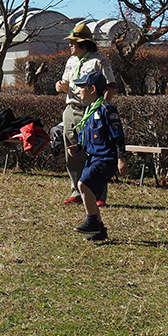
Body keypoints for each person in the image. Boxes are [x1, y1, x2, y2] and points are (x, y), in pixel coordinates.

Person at [55, 22, 117, 205]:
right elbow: (67, 84)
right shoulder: (71, 61)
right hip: (71, 110)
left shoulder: (99, 61)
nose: (70, 45)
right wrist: (60, 86)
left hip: (91, 111)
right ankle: (77, 192)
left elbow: (111, 85)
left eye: (73, 42)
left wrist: (101, 107)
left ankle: (98, 195)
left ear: (83, 43)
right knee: (72, 153)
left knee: (96, 153)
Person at [68, 71, 128, 242]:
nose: (79, 91)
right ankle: (100, 231)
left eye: (82, 87)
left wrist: (121, 158)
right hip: (92, 157)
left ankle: (92, 221)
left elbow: (118, 135)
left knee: (83, 184)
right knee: (87, 192)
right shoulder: (89, 109)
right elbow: (86, 134)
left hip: (105, 158)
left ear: (92, 89)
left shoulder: (106, 110)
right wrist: (78, 147)